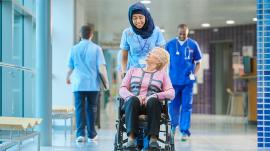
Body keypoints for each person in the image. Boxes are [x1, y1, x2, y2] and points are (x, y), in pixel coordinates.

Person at [119, 47, 175, 149]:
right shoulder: (132, 71)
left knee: (153, 101)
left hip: (152, 107)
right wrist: (134, 96)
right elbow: (122, 89)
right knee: (133, 100)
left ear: (159, 60)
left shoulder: (162, 75)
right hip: (133, 105)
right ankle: (131, 139)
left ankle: (153, 139)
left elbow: (171, 93)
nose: (149, 53)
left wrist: (155, 95)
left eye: (153, 53)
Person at [66, 24, 109, 142]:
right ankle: (92, 135)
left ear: (80, 34)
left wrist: (67, 78)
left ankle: (80, 134)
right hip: (92, 85)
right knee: (92, 109)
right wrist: (106, 83)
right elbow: (101, 68)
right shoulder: (97, 49)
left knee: (79, 108)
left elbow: (70, 67)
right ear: (91, 35)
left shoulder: (74, 49)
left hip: (78, 84)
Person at [165, 24, 202, 141]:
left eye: (184, 34)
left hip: (187, 83)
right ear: (177, 32)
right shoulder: (170, 44)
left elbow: (198, 62)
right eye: (180, 33)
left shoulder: (193, 44)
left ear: (187, 33)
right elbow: (164, 62)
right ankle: (172, 127)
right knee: (173, 107)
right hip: (173, 82)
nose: (182, 35)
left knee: (186, 107)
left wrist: (194, 74)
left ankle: (184, 131)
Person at [120, 2, 166, 77]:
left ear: (146, 17)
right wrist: (124, 71)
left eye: (140, 17)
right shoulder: (127, 33)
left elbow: (162, 56)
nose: (138, 21)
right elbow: (124, 57)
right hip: (134, 75)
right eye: (134, 18)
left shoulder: (156, 31)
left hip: (153, 75)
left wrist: (161, 74)